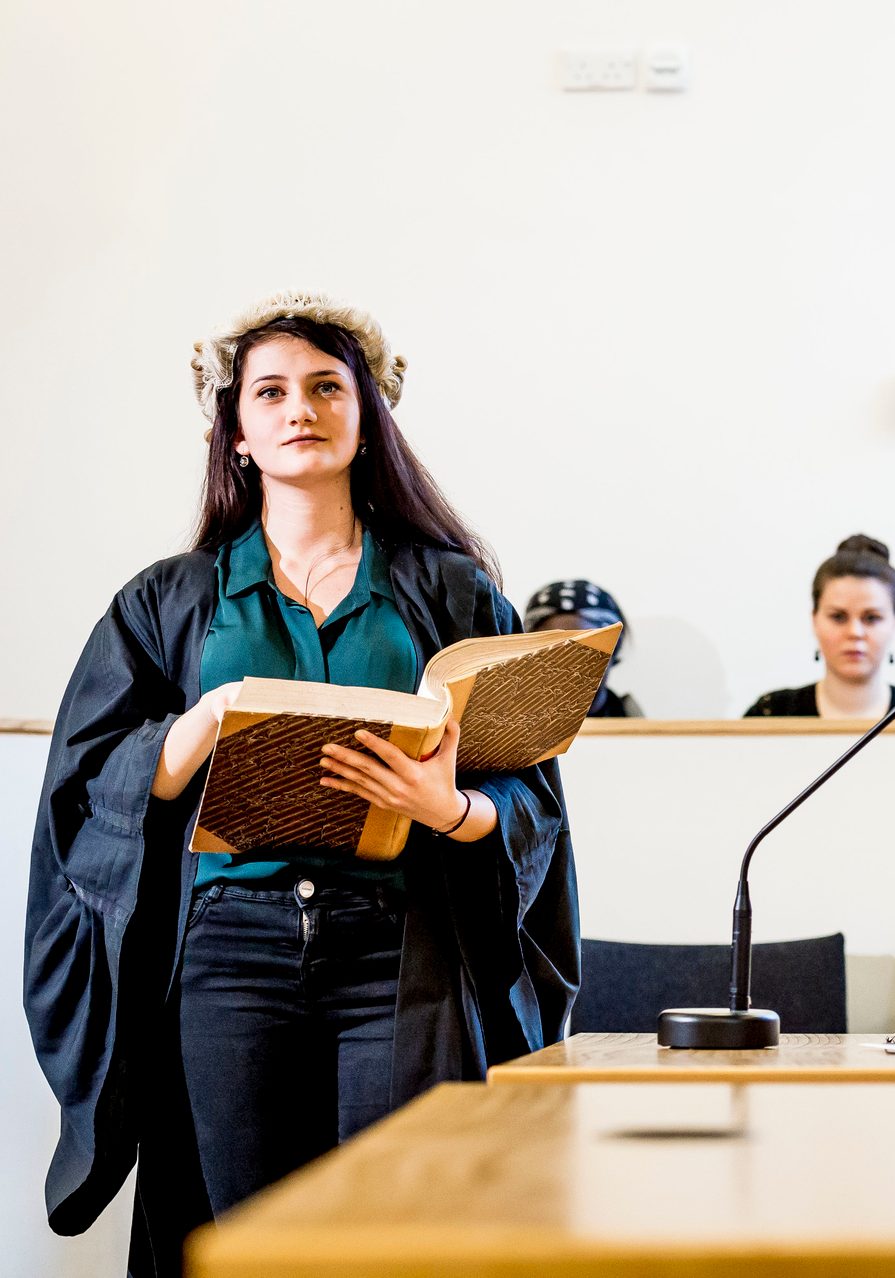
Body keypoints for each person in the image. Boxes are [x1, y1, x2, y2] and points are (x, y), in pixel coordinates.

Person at [22, 292, 580, 1275]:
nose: (299, 408)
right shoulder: (168, 601)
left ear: (368, 418)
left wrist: (447, 810)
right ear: (235, 432)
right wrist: (196, 728)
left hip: (396, 955)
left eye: (327, 386)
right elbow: (84, 784)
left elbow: (530, 795)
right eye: (270, 391)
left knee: (399, 1238)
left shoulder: (448, 591)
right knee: (245, 1240)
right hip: (227, 955)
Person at [744, 534, 895, 718]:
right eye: (838, 617)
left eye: (871, 618)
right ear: (814, 619)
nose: (855, 633)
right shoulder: (771, 713)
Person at [524, 578, 643, 717]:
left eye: (586, 649)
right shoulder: (508, 728)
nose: (569, 663)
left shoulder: (644, 734)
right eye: (553, 648)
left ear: (614, 650)